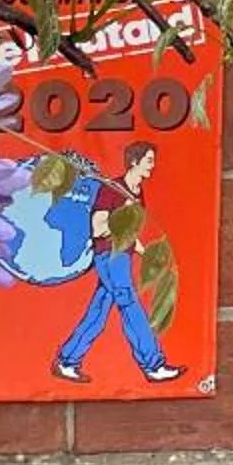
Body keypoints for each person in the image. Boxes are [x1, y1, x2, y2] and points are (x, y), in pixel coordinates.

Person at [52, 141, 181, 384]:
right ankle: (153, 364)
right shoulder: (113, 189)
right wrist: (122, 212)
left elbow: (129, 235)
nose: (153, 166)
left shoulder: (136, 192)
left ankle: (67, 360)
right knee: (130, 304)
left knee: (98, 312)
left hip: (122, 256)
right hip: (109, 256)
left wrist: (149, 256)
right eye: (149, 160)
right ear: (134, 161)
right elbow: (97, 229)